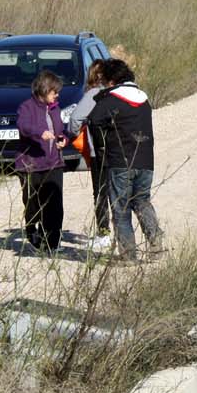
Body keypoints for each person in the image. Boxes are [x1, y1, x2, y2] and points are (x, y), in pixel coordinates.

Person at [88, 59, 163, 261]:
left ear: (112, 80)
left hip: (120, 161)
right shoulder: (144, 100)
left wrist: (101, 148)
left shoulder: (111, 100)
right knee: (142, 202)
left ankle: (129, 255)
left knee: (120, 208)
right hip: (146, 160)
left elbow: (94, 121)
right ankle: (155, 244)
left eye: (105, 81)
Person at [15, 70, 68, 253]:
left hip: (54, 163)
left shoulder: (55, 108)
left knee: (55, 205)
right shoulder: (26, 107)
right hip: (31, 165)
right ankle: (32, 230)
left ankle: (52, 243)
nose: (57, 95)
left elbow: (60, 130)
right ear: (44, 90)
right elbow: (24, 126)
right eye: (54, 92)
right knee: (33, 204)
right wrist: (39, 133)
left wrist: (62, 139)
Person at [65, 59, 112, 251]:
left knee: (101, 192)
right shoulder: (119, 93)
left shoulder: (93, 94)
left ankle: (104, 234)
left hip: (99, 151)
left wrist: (74, 135)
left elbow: (75, 119)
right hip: (123, 149)